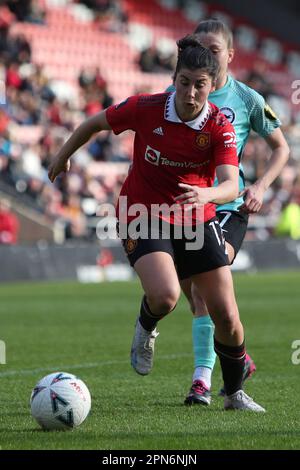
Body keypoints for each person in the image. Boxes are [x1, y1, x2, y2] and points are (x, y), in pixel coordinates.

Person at [48, 34, 265, 412]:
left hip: (196, 215)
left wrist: (207, 195)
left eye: (200, 85)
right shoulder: (146, 107)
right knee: (166, 295)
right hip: (141, 212)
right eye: (184, 83)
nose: (191, 93)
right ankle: (145, 327)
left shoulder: (219, 128)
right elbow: (94, 123)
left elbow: (231, 183)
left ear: (212, 86)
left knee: (227, 317)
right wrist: (63, 156)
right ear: (174, 79)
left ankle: (233, 394)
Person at [165, 20, 289, 406]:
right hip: (186, 207)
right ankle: (238, 355)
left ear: (231, 55)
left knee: (203, 291)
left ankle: (201, 381)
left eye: (214, 50)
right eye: (199, 47)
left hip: (227, 208)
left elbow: (281, 148)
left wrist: (260, 186)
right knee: (196, 298)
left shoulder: (248, 99)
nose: (206, 55)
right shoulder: (179, 92)